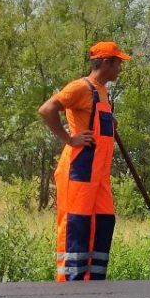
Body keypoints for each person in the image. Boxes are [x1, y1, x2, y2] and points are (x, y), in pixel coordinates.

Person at [37, 41, 129, 282]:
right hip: (79, 170)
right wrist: (69, 138)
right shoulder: (80, 87)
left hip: (99, 175)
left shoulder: (102, 91)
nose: (120, 68)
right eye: (118, 63)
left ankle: (93, 284)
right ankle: (70, 284)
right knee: (75, 226)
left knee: (103, 222)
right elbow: (47, 109)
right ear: (106, 63)